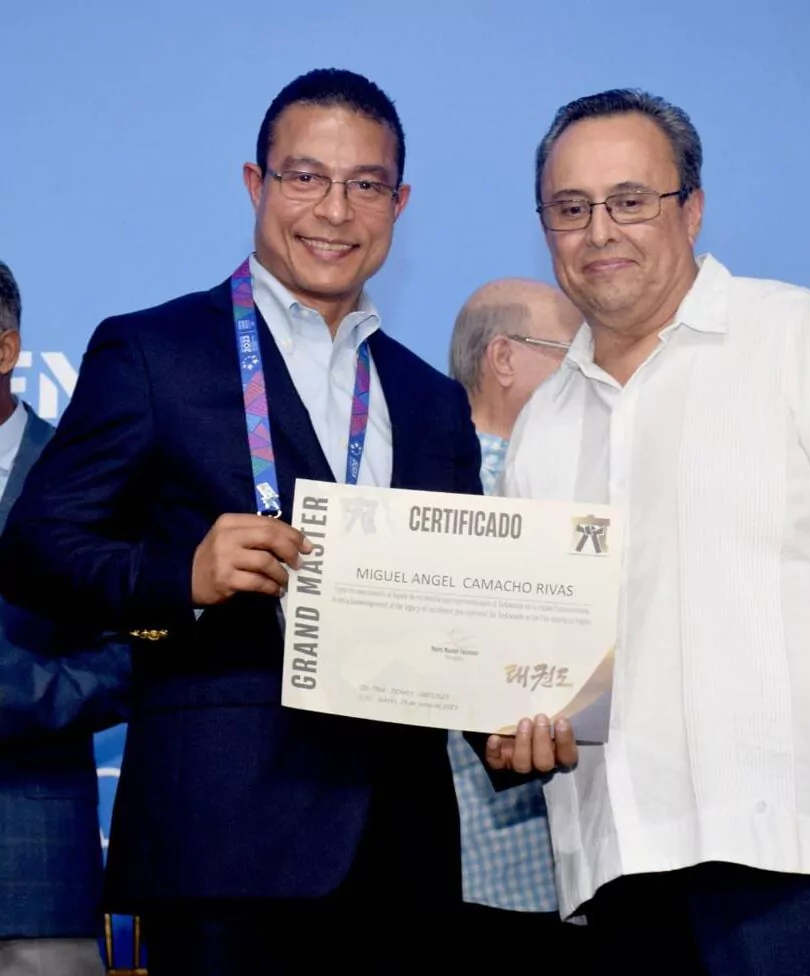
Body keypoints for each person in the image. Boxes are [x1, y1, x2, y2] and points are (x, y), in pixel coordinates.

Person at [480, 88, 810, 975]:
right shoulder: (545, 425)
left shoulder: (800, 338)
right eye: (570, 208)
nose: (599, 231)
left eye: (630, 200)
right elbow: (543, 649)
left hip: (805, 860)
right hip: (619, 867)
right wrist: (520, 723)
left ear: (692, 208)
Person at [0, 70, 482, 976]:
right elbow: (34, 550)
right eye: (305, 177)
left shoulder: (430, 399)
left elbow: (464, 609)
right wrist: (177, 578)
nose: (334, 210)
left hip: (402, 850)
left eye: (365, 184)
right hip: (220, 841)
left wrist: (515, 712)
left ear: (399, 203)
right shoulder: (152, 351)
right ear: (256, 183)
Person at [0, 260, 130, 976]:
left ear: (6, 350)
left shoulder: (86, 480)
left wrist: (18, 693)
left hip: (33, 876)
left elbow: (134, 650)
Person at [446, 279, 580, 939]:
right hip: (490, 873)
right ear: (503, 358)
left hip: (592, 864)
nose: (589, 369)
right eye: (572, 353)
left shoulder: (585, 488)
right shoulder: (434, 498)